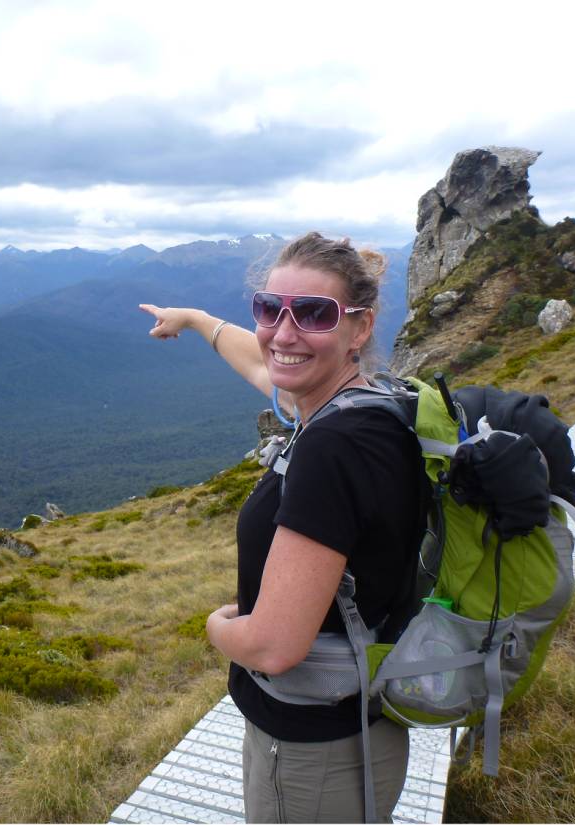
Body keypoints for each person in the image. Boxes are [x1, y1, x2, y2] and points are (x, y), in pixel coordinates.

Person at [139, 232, 423, 823]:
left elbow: (272, 647)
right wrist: (192, 319)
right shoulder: (371, 404)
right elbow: (262, 359)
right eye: (271, 309)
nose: (284, 333)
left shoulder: (332, 449)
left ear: (361, 327)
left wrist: (218, 627)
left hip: (309, 754)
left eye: (314, 314)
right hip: (358, 730)